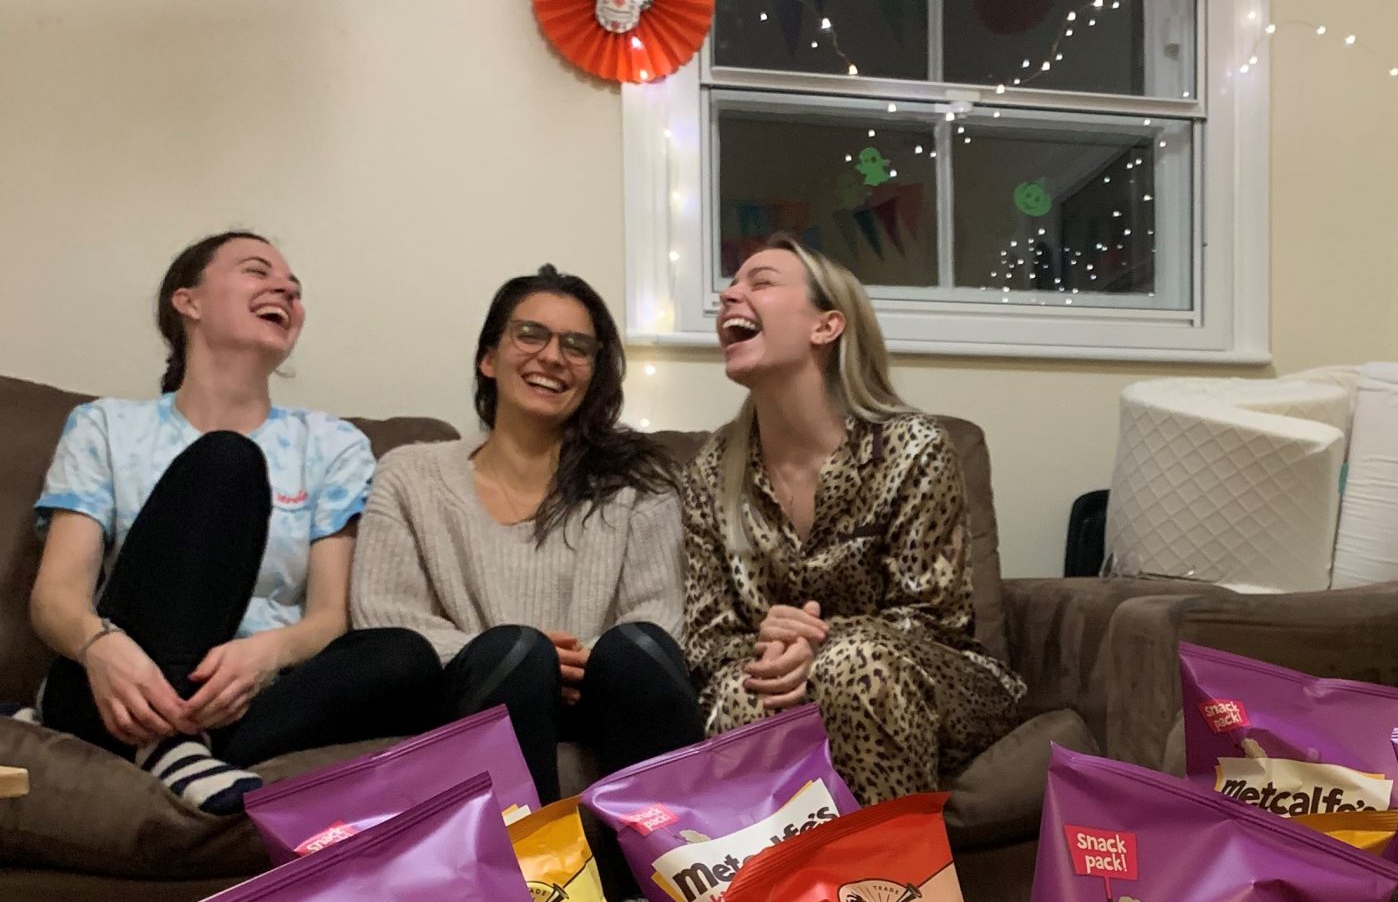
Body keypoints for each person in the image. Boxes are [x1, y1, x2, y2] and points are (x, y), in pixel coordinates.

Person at [30, 231, 439, 814]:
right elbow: (56, 595)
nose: (285, 290)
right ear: (188, 302)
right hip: (123, 676)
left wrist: (268, 654)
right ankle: (160, 734)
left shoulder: (331, 445)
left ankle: (177, 745)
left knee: (405, 657)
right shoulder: (106, 427)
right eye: (257, 271)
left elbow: (328, 617)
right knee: (227, 460)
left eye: (294, 290)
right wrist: (100, 649)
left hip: (252, 692)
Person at [681, 238, 1022, 804]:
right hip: (776, 677)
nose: (729, 294)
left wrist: (819, 640)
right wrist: (771, 652)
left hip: (931, 677)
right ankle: (774, 891)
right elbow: (706, 639)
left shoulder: (912, 448)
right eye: (730, 286)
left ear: (827, 326)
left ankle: (897, 885)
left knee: (853, 666)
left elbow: (933, 619)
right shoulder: (711, 473)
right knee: (742, 694)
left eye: (760, 282)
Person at [348, 266, 697, 804]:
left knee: (637, 649)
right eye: (530, 334)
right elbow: (386, 617)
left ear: (594, 372)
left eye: (577, 346)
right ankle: (531, 884)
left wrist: (580, 664)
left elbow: (659, 616)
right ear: (488, 358)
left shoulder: (639, 480)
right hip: (477, 695)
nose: (554, 356)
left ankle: (653, 883)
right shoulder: (410, 474)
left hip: (603, 697)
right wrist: (530, 658)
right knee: (517, 652)